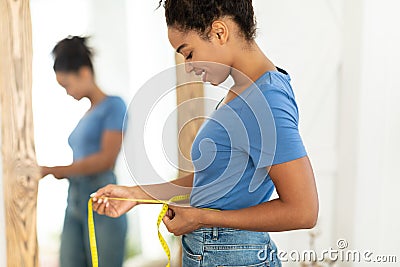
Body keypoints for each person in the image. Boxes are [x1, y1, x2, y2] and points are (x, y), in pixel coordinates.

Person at [93, 1, 318, 266]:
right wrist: (135, 194)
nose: (187, 66)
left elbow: (303, 211)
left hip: (230, 255)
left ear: (219, 32)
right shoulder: (244, 92)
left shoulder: (265, 100)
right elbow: (212, 182)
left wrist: (203, 218)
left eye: (188, 53)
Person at [40, 36, 127, 267]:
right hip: (75, 199)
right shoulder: (87, 115)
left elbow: (105, 160)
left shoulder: (114, 105)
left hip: (102, 198)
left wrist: (53, 170)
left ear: (85, 73)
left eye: (67, 84)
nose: (67, 92)